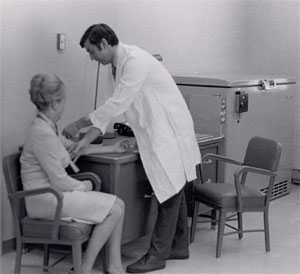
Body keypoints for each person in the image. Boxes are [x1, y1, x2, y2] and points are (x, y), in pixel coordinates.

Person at [63, 23, 201, 273]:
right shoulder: (116, 67)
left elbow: (116, 104)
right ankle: (179, 246)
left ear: (104, 44)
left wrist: (79, 123)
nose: (92, 58)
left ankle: (157, 256)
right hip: (154, 132)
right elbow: (112, 110)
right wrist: (85, 139)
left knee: (168, 190)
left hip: (167, 132)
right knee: (174, 186)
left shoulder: (135, 60)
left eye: (92, 51)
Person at [20, 73, 126, 274]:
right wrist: (84, 186)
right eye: (63, 101)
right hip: (46, 200)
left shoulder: (47, 127)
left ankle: (114, 265)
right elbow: (59, 181)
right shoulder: (41, 132)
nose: (64, 106)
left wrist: (113, 149)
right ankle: (84, 268)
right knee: (115, 209)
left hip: (54, 195)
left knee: (119, 204)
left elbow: (75, 148)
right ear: (54, 102)